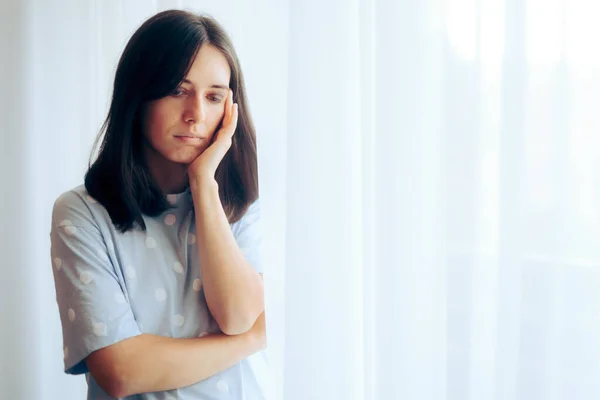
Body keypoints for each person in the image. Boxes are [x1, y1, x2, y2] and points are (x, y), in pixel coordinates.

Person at [49, 9, 267, 400]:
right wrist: (251, 340)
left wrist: (203, 184)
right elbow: (121, 372)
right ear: (139, 95)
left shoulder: (239, 206)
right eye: (177, 91)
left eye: (214, 97)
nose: (196, 115)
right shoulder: (81, 214)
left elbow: (237, 315)